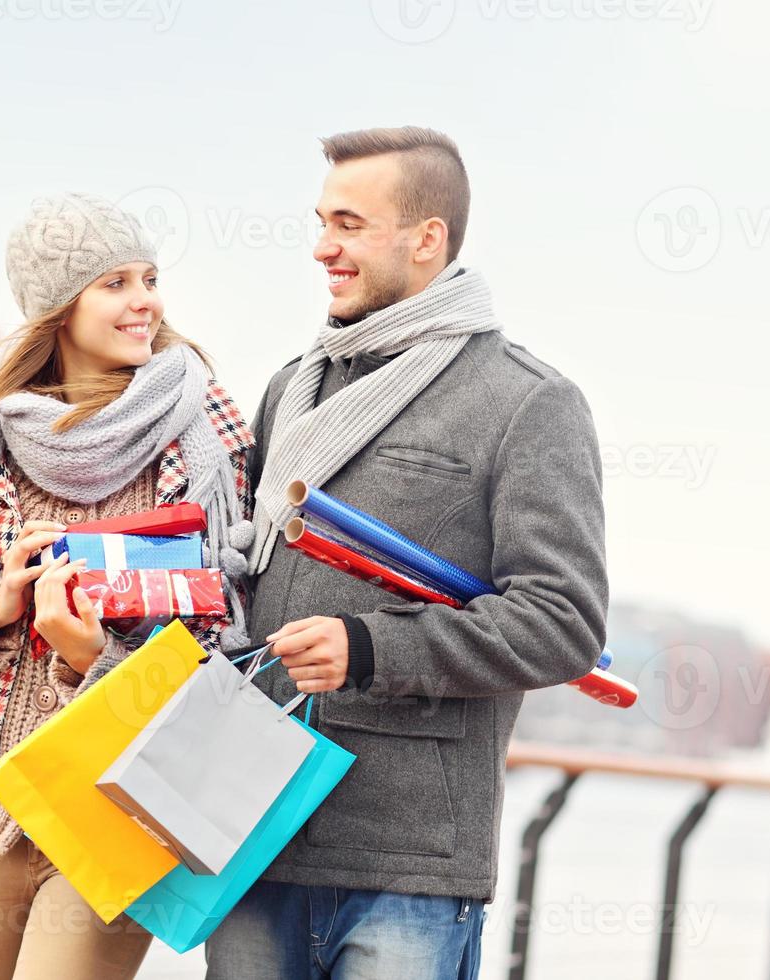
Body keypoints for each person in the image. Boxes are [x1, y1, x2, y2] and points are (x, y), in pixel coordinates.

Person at [205, 127, 609, 980]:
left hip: (409, 863)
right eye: (320, 221)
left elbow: (563, 623)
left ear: (426, 240)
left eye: (348, 224)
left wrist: (368, 648)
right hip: (253, 830)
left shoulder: (529, 403)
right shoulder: (291, 386)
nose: (322, 247)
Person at [0, 192, 255, 980]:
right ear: (58, 309)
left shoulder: (208, 432)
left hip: (123, 803)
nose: (145, 302)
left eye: (149, 277)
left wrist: (91, 656)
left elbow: (229, 642)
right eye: (114, 283)